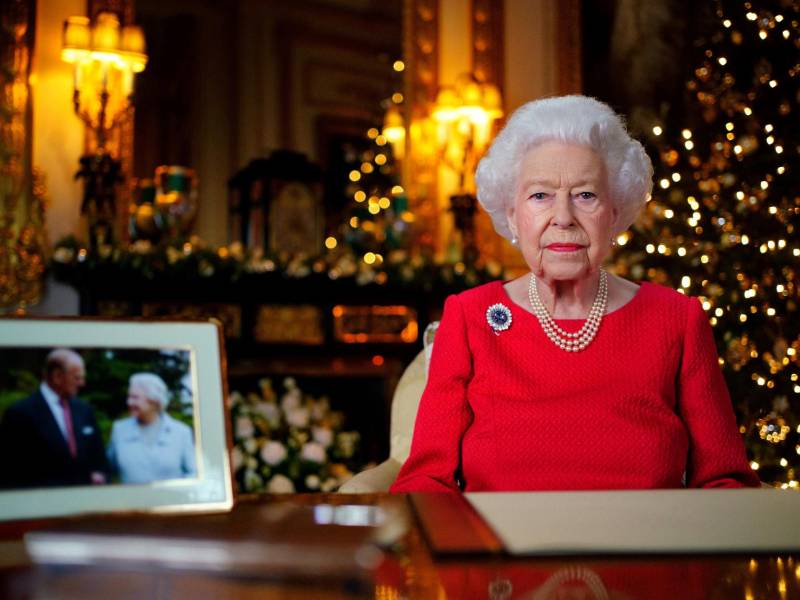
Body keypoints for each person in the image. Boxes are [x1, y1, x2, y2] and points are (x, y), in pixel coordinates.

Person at [391, 95, 759, 493]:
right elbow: (425, 482)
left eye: (586, 195)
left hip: (643, 550)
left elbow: (725, 481)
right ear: (513, 214)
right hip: (501, 551)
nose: (563, 217)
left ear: (614, 213)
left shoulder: (675, 319)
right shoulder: (470, 316)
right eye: (540, 196)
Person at [0, 349, 108, 488]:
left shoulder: (84, 410)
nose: (82, 383)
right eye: (77, 377)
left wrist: (100, 474)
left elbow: (99, 459)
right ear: (57, 376)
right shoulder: (19, 414)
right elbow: (9, 472)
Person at [107, 372, 196, 484]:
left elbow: (193, 473)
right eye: (129, 397)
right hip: (130, 500)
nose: (129, 402)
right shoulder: (119, 430)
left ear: (154, 400)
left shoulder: (181, 432)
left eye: (135, 397)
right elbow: (107, 470)